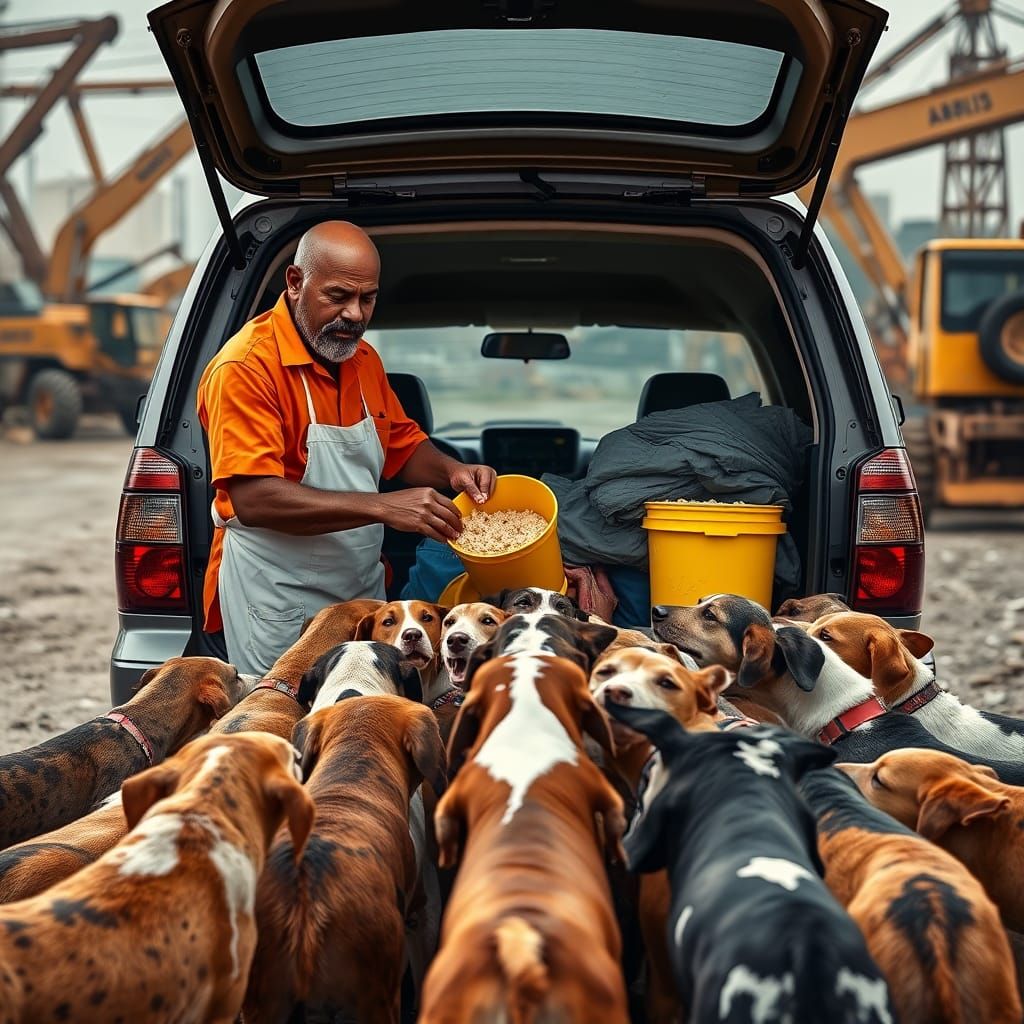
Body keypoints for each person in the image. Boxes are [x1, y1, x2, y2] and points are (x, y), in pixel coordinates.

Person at [197, 221, 496, 674]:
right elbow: (254, 498)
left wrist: (453, 470)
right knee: (286, 719)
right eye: (338, 297)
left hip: (361, 589)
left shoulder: (362, 359)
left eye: (368, 298)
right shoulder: (245, 367)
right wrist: (382, 507)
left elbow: (402, 445)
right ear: (296, 283)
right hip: (278, 593)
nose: (355, 314)